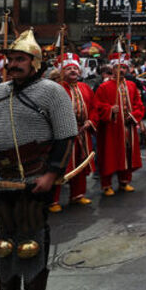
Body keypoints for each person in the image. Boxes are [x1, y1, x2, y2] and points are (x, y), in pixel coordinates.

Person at [0, 29, 78, 290]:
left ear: (36, 63)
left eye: (20, 59)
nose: (12, 64)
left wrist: (52, 173)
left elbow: (66, 136)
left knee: (31, 238)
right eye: (10, 59)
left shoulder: (52, 92)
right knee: (5, 239)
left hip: (32, 176)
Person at [49, 53, 95, 212]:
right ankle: (53, 201)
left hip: (83, 133)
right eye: (69, 68)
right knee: (60, 167)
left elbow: (94, 108)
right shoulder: (56, 89)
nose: (73, 71)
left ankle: (77, 195)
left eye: (75, 68)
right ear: (62, 71)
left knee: (80, 165)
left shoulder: (85, 87)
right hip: (63, 135)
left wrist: (91, 121)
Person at [94, 53, 144, 195]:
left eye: (123, 67)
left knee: (127, 154)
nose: (121, 70)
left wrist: (134, 116)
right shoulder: (104, 87)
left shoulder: (132, 85)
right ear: (113, 69)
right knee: (109, 155)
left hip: (128, 128)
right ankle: (106, 185)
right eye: (118, 67)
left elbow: (139, 105)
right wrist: (110, 110)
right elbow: (97, 106)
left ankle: (124, 181)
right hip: (111, 128)